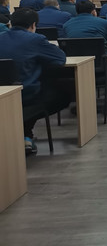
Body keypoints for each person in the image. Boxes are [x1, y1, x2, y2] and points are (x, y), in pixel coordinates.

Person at [0, 9, 71, 155]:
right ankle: (25, 130)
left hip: (3, 94)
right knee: (62, 95)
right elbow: (60, 59)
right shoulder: (36, 39)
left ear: (11, 23)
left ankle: (23, 133)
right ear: (33, 25)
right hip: (25, 94)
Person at [62, 1, 107, 114]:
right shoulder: (103, 23)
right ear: (94, 11)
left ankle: (80, 103)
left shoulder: (67, 25)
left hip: (77, 68)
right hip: (100, 67)